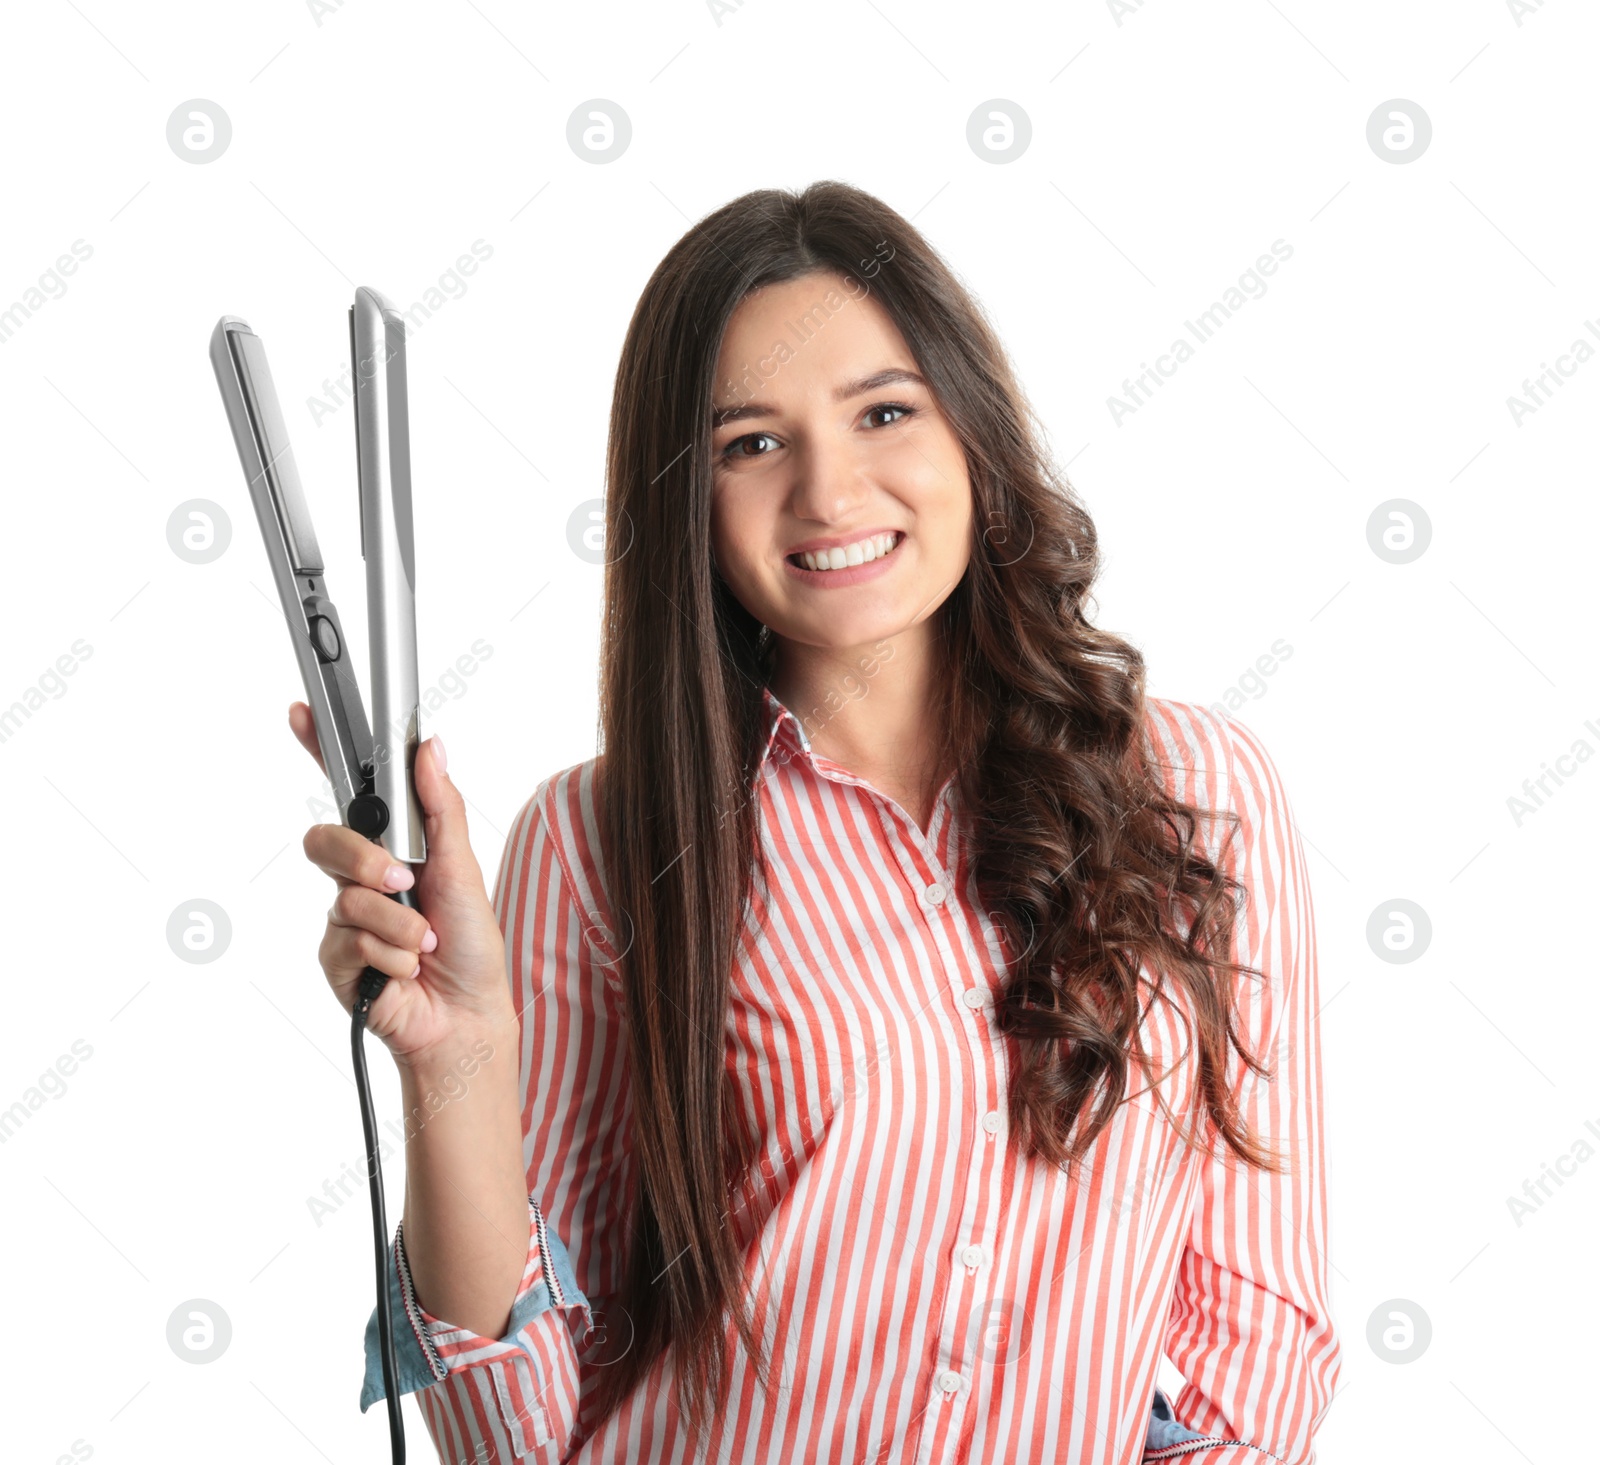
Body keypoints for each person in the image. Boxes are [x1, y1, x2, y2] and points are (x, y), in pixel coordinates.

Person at [291, 179, 1341, 1463]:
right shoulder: (602, 839)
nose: (829, 491)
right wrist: (454, 1062)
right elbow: (515, 1439)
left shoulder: (1203, 791)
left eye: (884, 412)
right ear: (688, 499)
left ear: (971, 432)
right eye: (749, 444)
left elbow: (1262, 1328)